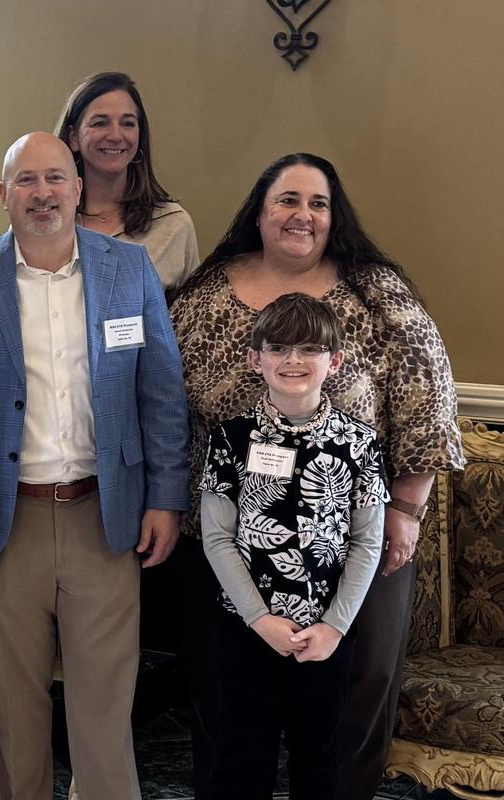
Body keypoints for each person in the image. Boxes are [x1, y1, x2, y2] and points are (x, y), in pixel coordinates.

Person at [169, 153, 463, 800]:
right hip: (224, 546)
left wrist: (407, 510)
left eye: (318, 203)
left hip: (357, 539)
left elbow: (429, 392)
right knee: (228, 716)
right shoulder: (205, 290)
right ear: (259, 210)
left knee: (342, 717)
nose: (303, 214)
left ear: (335, 217)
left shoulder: (374, 290)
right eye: (287, 199)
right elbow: (160, 397)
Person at [0, 133, 189, 800]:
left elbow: (160, 391)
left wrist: (166, 496)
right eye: (26, 180)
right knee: (15, 710)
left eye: (55, 178)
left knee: (104, 708)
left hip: (102, 516)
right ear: (3, 194)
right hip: (3, 520)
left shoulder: (127, 270)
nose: (42, 192)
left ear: (78, 188)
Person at [197, 293, 387, 799]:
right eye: (278, 348)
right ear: (254, 358)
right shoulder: (231, 439)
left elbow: (368, 542)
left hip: (327, 630)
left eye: (309, 349)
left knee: (319, 758)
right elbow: (216, 537)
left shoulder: (360, 443)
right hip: (247, 627)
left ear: (335, 360)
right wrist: (260, 620)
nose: (293, 361)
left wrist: (333, 627)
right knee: (241, 756)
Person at [57, 71, 199, 290]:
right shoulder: (46, 218)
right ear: (73, 136)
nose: (115, 135)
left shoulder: (173, 225)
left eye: (128, 123)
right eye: (99, 123)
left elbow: (190, 319)